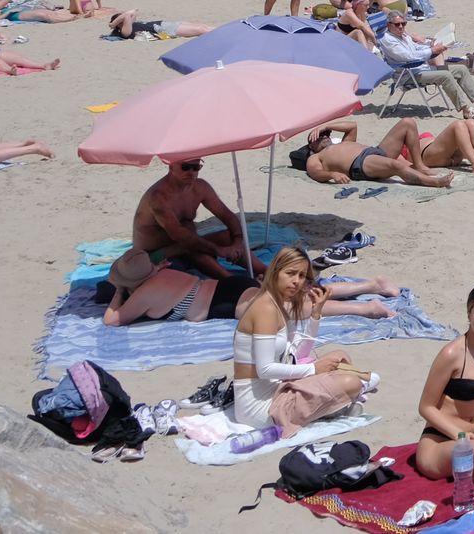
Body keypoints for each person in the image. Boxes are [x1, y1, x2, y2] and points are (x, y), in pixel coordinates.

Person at [232, 247, 378, 432]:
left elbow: (298, 354)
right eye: (291, 274)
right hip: (260, 408)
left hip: (276, 387)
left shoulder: (278, 305)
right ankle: (335, 405)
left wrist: (315, 314)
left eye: (302, 276)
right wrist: (313, 369)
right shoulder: (265, 309)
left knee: (340, 356)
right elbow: (265, 369)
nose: (296, 282)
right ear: (275, 272)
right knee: (351, 383)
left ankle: (333, 404)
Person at [103, 251, 395, 326]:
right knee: (299, 295)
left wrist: (119, 290)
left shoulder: (143, 292)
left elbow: (112, 320)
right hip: (231, 284)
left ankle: (365, 307)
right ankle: (371, 284)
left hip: (226, 304)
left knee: (298, 309)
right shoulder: (163, 271)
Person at [414, 284, 474, 482]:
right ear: (469, 314)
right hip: (439, 443)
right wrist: (460, 435)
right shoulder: (452, 354)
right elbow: (425, 407)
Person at [130, 157, 269, 278]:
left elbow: (227, 215)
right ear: (171, 166)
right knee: (192, 247)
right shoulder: (159, 197)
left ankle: (265, 271)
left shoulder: (200, 187)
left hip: (184, 245)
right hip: (152, 255)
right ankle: (233, 281)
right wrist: (218, 250)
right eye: (185, 167)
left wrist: (237, 242)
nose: (191, 172)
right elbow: (181, 237)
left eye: (196, 167)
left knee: (227, 237)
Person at [292, 116, 474, 186]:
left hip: (375, 151)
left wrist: (326, 125)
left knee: (407, 123)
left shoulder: (342, 142)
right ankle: (432, 182)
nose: (325, 136)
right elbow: (315, 173)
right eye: (320, 137)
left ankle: (420, 165)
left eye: (326, 134)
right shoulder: (316, 157)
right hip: (360, 164)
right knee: (395, 165)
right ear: (311, 145)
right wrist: (333, 174)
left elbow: (352, 125)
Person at [106, 13, 214, 40]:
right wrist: (112, 25)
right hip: (163, 30)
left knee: (201, 25)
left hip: (163, 24)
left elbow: (133, 12)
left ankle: (224, 31)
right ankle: (224, 33)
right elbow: (127, 15)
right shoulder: (126, 31)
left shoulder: (130, 24)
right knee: (200, 30)